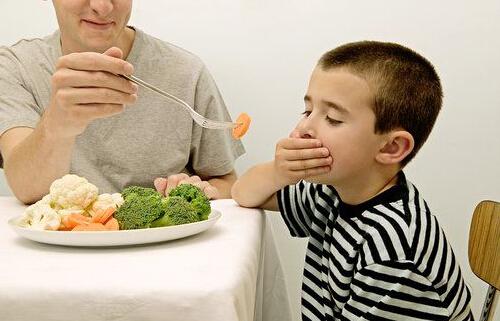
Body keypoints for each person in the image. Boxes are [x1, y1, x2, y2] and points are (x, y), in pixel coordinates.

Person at [232, 41, 473, 320]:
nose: (303, 128)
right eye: (307, 111)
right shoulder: (332, 192)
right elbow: (245, 194)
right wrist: (278, 172)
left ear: (391, 147)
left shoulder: (393, 251)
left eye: (333, 118)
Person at [0, 0, 244, 204]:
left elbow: (226, 183)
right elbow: (26, 189)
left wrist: (198, 193)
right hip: (57, 255)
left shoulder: (186, 71)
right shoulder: (16, 67)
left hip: (166, 249)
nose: (103, 7)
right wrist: (56, 125)